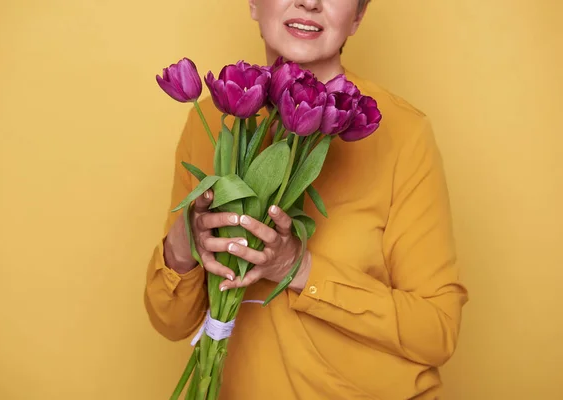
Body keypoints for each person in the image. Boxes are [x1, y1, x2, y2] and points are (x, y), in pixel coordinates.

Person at [144, 0, 469, 398]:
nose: (309, 1)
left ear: (359, 15)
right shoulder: (212, 122)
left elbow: (437, 332)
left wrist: (298, 268)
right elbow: (170, 320)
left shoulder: (401, 135)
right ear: (252, 3)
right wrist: (187, 237)